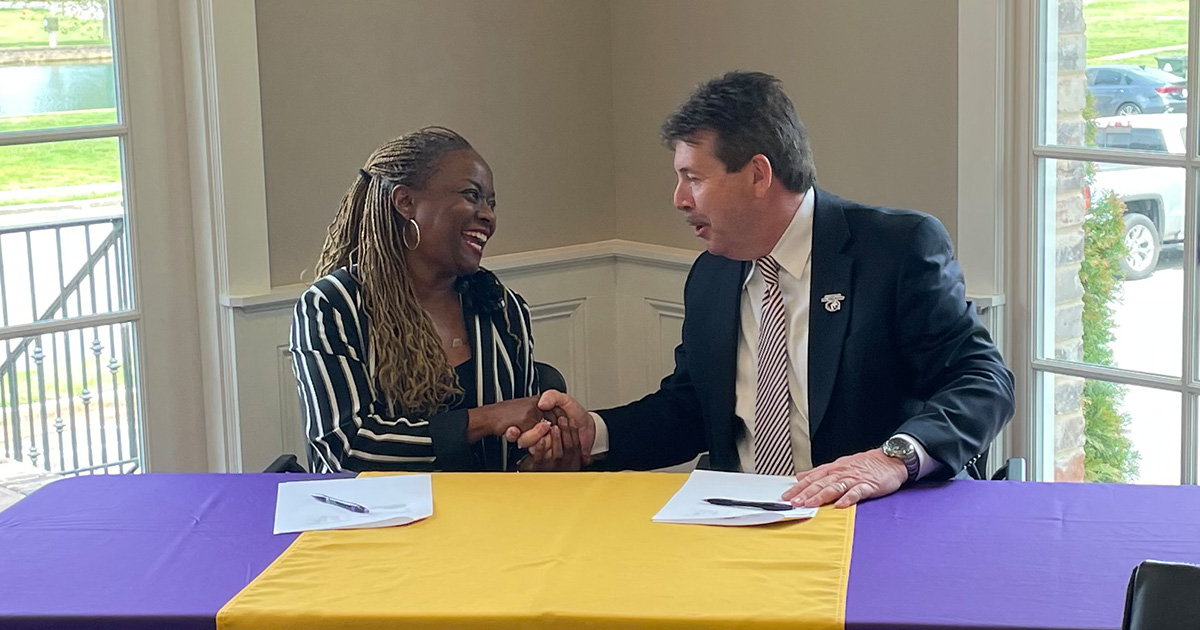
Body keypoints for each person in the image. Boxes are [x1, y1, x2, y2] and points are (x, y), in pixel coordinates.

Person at [536, 71, 1015, 507]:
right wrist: (594, 433)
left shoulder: (894, 250)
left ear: (758, 175)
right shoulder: (711, 276)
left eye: (693, 179)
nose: (679, 200)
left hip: (868, 520)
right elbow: (693, 409)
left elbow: (983, 382)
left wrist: (893, 458)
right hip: (735, 524)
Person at [290, 127, 566, 473]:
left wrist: (541, 456)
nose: (488, 215)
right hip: (378, 523)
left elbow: (513, 461)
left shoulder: (500, 306)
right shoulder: (334, 306)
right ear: (405, 202)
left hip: (490, 518)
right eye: (471, 195)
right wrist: (482, 420)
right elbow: (346, 450)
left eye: (491, 203)